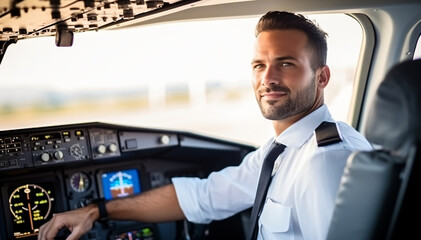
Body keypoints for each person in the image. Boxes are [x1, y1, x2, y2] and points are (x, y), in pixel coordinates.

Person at [38, 11, 372, 240]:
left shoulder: (326, 160)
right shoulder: (281, 150)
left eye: (285, 64)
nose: (267, 78)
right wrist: (96, 210)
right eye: (259, 65)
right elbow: (204, 197)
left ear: (322, 76)